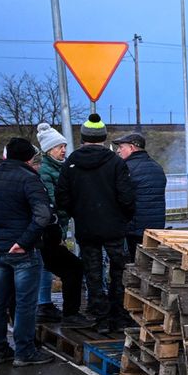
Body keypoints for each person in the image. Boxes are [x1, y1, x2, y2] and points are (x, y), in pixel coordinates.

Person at [0, 138, 55, 366]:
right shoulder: (29, 178)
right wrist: (24, 241)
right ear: (29, 159)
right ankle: (25, 351)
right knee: (25, 303)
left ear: (7, 156)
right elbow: (43, 215)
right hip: (22, 253)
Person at [56, 114, 136, 332]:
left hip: (86, 227)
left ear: (83, 137)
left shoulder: (71, 162)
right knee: (118, 270)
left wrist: (78, 214)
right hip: (114, 227)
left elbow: (61, 197)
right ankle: (118, 316)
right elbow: (127, 197)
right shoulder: (116, 162)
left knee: (92, 271)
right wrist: (122, 217)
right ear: (103, 137)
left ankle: (99, 317)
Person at [34, 123, 90, 327]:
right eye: (59, 147)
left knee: (51, 267)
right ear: (49, 150)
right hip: (49, 231)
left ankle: (46, 305)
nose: (64, 150)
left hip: (55, 230)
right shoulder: (47, 172)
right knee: (73, 268)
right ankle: (68, 314)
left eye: (65, 146)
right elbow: (54, 201)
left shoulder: (63, 167)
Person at [113, 132, 166, 262]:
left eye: (121, 147)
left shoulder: (126, 168)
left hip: (134, 229)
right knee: (151, 263)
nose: (118, 151)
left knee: (133, 263)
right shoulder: (157, 167)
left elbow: (121, 197)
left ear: (132, 148)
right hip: (155, 228)